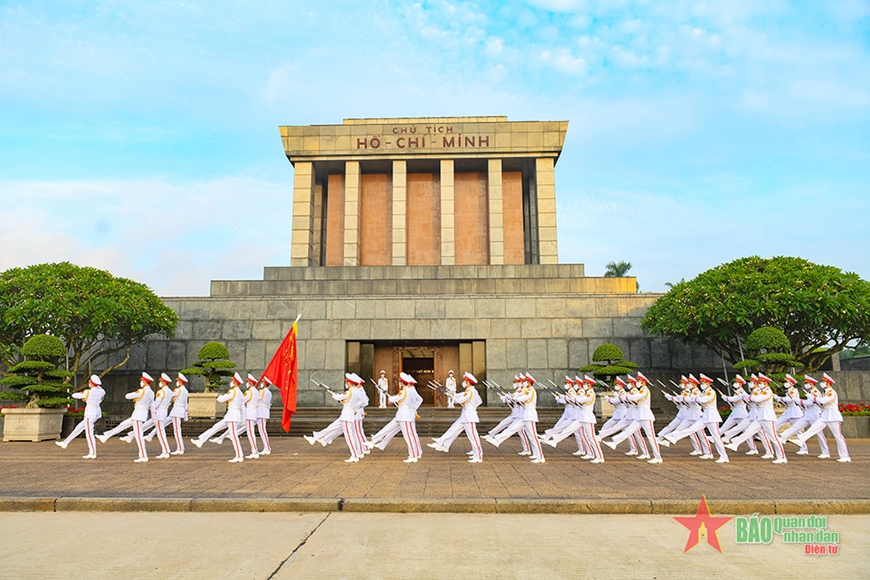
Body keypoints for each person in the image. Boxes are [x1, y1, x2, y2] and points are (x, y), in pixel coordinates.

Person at [661, 374, 728, 463]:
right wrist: (684, 398)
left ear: (708, 383)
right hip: (705, 415)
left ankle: (724, 457)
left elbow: (702, 400)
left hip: (712, 416)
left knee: (716, 437)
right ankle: (674, 437)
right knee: (692, 429)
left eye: (703, 383)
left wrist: (691, 398)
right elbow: (692, 399)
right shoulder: (704, 392)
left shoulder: (710, 392)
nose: (702, 384)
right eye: (701, 383)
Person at [304, 374, 364, 462]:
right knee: (331, 427)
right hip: (346, 414)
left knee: (349, 436)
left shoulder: (350, 392)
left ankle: (355, 455)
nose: (346, 384)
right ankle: (315, 437)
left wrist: (332, 393)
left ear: (350, 383)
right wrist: (354, 407)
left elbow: (338, 397)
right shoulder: (357, 391)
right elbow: (361, 402)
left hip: (347, 415)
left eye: (347, 382)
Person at [97, 372, 154, 463]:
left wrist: (136, 393)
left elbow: (127, 396)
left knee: (139, 436)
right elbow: (152, 405)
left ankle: (143, 456)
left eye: (142, 380)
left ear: (144, 381)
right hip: (140, 414)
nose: (141, 382)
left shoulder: (141, 391)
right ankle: (106, 436)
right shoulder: (151, 392)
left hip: (138, 415)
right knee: (123, 424)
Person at [794, 374, 850, 462]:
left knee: (838, 436)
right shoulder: (824, 392)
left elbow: (823, 401)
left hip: (833, 416)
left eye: (823, 382)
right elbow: (821, 403)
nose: (822, 383)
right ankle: (801, 439)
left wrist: (812, 397)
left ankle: (845, 456)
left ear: (828, 383)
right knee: (814, 428)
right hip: (825, 415)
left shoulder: (832, 392)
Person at [428, 372, 484, 462]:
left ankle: (478, 456)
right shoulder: (470, 391)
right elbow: (474, 400)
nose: (464, 382)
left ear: (468, 382)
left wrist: (454, 398)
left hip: (469, 416)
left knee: (473, 437)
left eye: (465, 380)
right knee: (453, 429)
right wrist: (452, 394)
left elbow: (458, 400)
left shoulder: (470, 392)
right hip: (465, 415)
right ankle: (441, 443)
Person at [190, 372, 246, 463]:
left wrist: (220, 396)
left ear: (235, 382)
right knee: (216, 427)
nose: (231, 382)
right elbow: (243, 407)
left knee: (233, 435)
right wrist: (243, 419)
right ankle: (201, 440)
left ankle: (239, 455)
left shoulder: (233, 391)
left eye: (232, 380)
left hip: (233, 416)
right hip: (231, 415)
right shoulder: (240, 393)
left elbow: (221, 399)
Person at [369, 373, 423, 462]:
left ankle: (413, 456)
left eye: (400, 382)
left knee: (409, 436)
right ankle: (374, 440)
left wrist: (391, 398)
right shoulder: (412, 390)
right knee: (389, 428)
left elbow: (393, 399)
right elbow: (419, 400)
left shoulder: (404, 391)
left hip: (405, 416)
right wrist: (412, 408)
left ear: (402, 383)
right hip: (404, 415)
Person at [56, 374, 104, 459]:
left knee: (89, 434)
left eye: (90, 382)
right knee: (78, 428)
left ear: (92, 383)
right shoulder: (102, 391)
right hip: (96, 412)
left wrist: (82, 393)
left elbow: (75, 395)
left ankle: (92, 452)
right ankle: (65, 442)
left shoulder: (88, 392)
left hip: (90, 414)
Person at [167, 372, 189, 455]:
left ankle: (180, 448)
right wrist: (186, 414)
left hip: (176, 411)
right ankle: (150, 434)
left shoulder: (178, 390)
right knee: (165, 424)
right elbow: (186, 403)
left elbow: (169, 395)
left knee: (177, 430)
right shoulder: (185, 391)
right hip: (180, 410)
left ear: (180, 382)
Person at [257, 376, 272, 455]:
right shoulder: (266, 392)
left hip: (262, 412)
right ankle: (266, 447)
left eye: (263, 382)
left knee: (262, 430)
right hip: (261, 411)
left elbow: (257, 398)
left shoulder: (264, 392)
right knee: (261, 430)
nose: (262, 384)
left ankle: (267, 448)